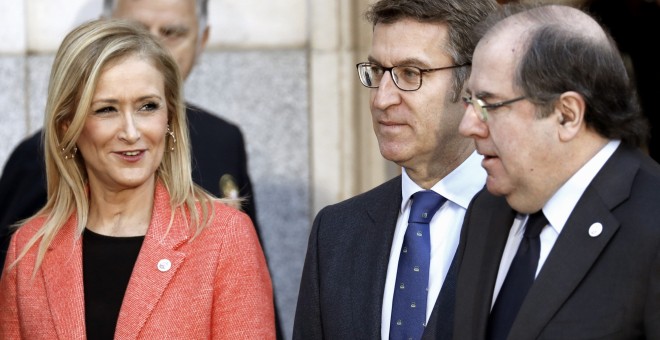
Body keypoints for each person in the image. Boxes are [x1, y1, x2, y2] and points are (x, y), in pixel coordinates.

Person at [0, 19, 275, 338]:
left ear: (169, 117)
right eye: (106, 110)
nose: (131, 132)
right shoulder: (29, 249)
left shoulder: (225, 238)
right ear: (67, 127)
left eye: (147, 106)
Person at [455, 3, 660, 339]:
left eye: (488, 105)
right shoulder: (486, 211)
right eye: (469, 102)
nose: (468, 126)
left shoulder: (652, 228)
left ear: (566, 115)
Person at [293, 0, 497, 338]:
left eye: (410, 74)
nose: (381, 99)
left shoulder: (525, 222)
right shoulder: (336, 231)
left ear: (472, 83)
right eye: (376, 72)